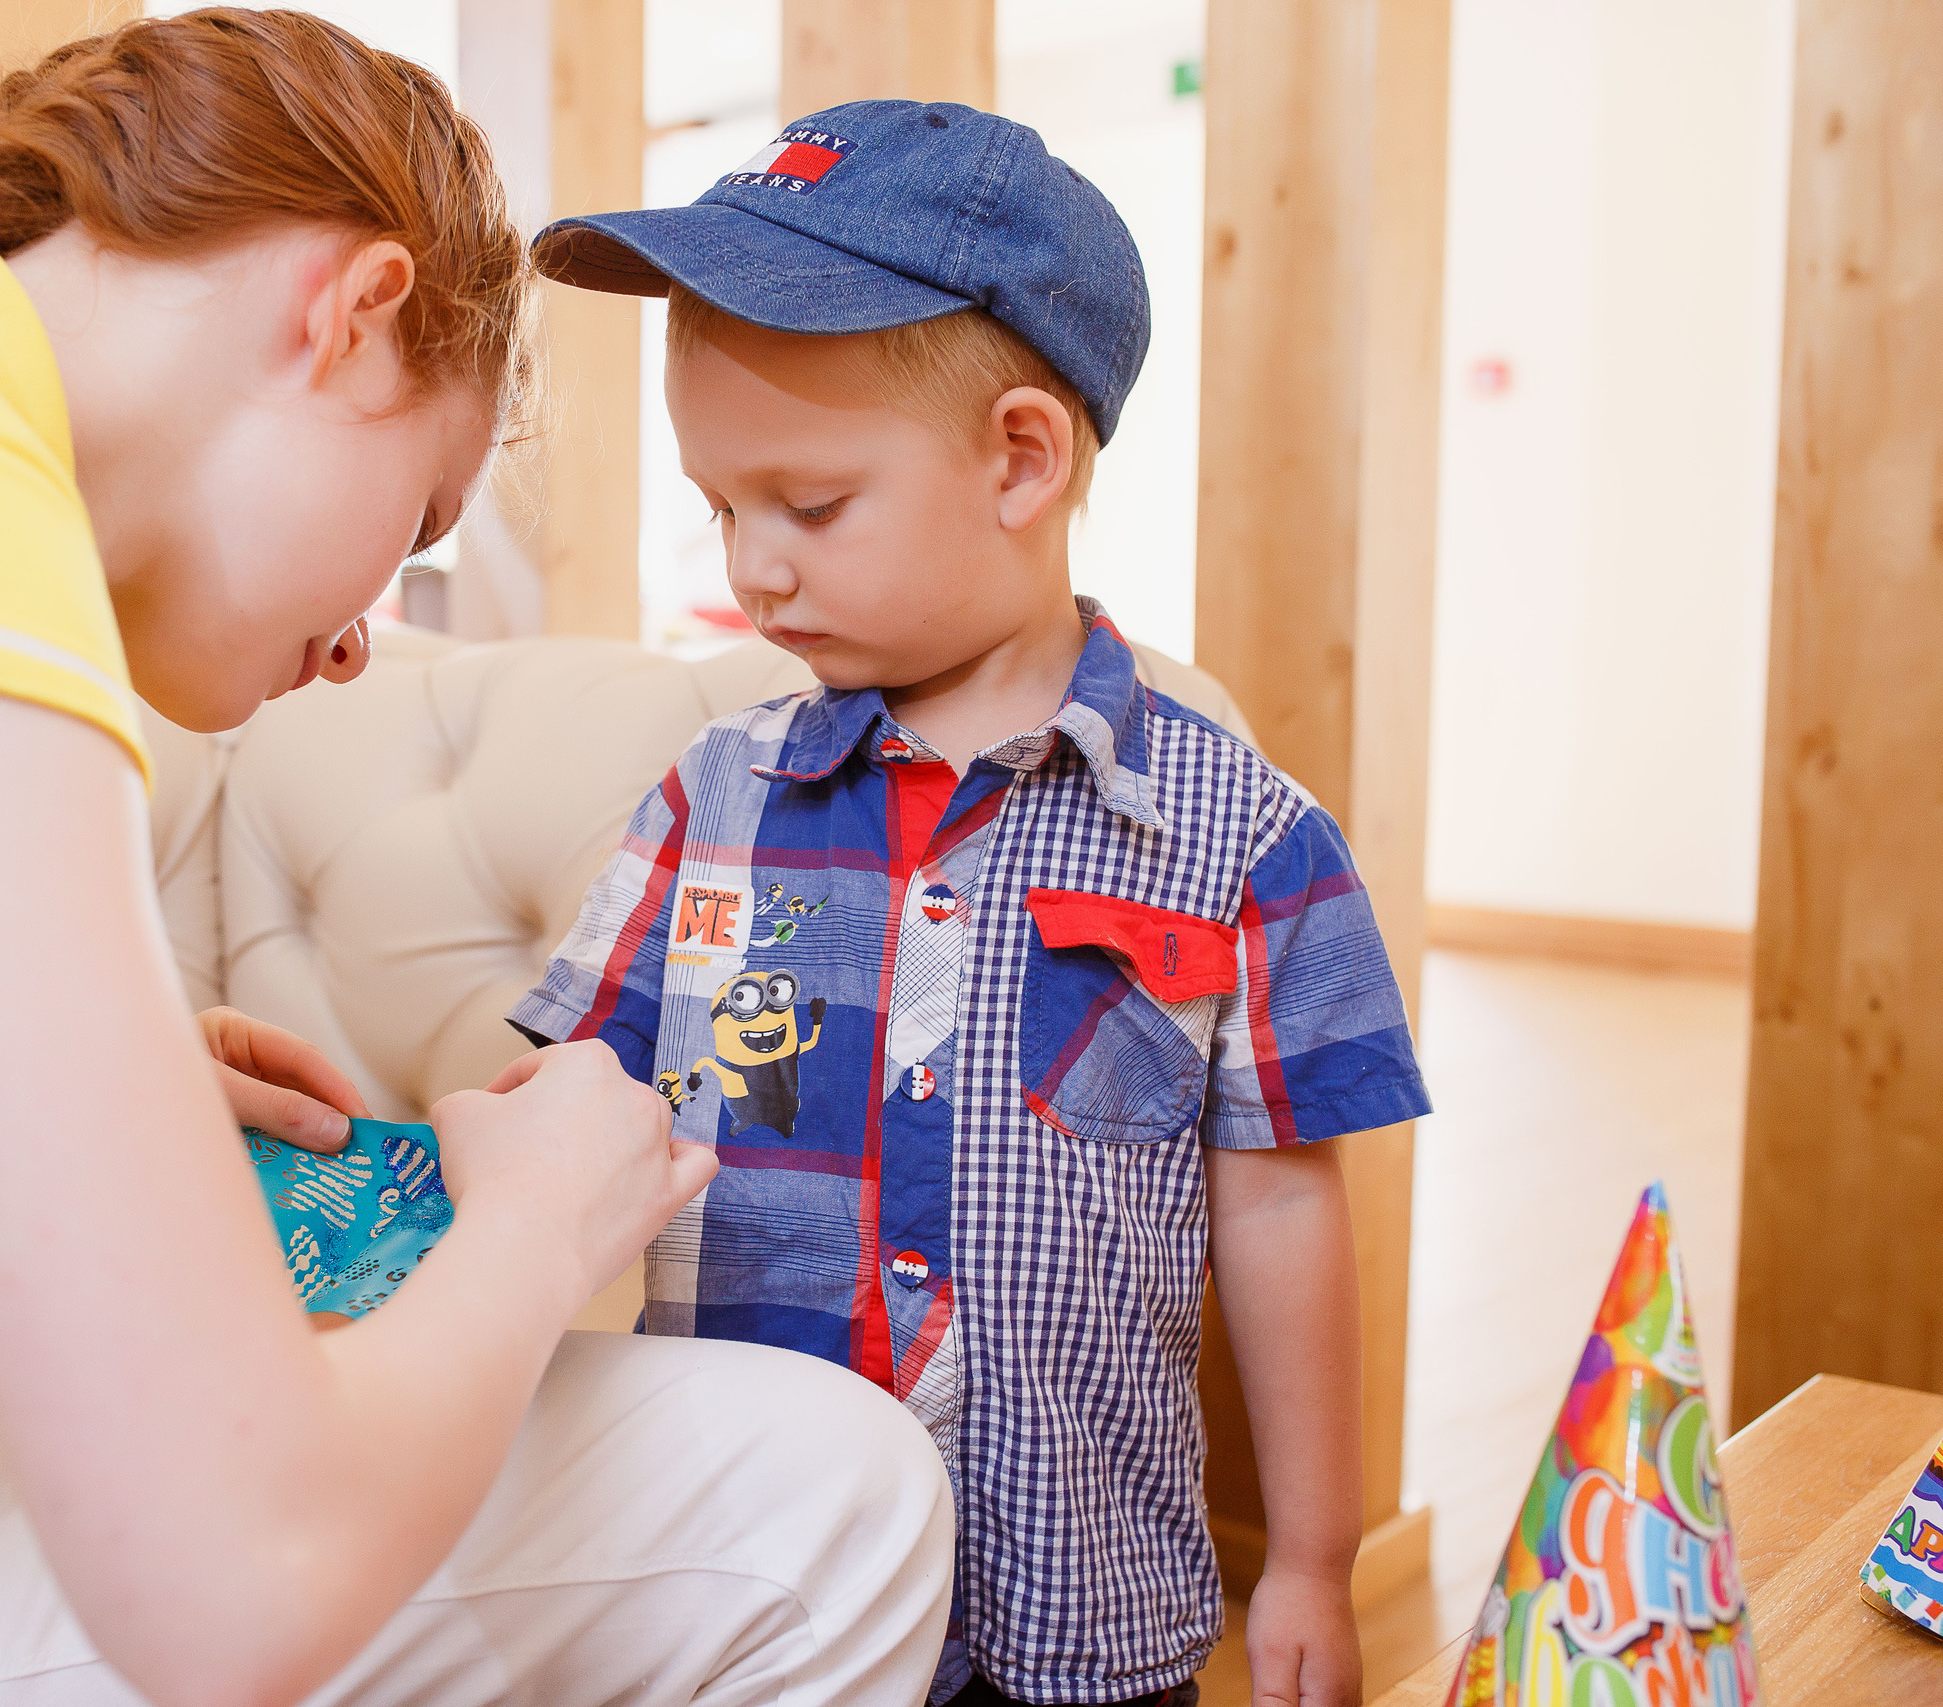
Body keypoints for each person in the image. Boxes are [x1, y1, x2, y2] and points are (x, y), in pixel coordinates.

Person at [0, 16, 955, 1707]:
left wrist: (60, 1082)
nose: (361, 645)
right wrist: (544, 1224)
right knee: (833, 1505)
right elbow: (236, 1597)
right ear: (355, 317)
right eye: (416, 527)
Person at [510, 102, 1435, 1707]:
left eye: (806, 506)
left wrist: (1307, 1561)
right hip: (751, 1599)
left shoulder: (1246, 842)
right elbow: (568, 1106)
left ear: (1022, 457)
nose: (753, 571)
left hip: (1076, 1607)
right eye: (720, 507)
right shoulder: (710, 804)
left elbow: (1285, 1208)